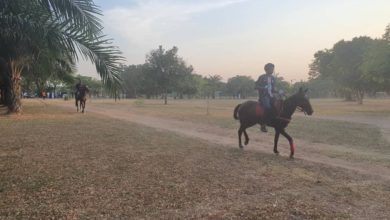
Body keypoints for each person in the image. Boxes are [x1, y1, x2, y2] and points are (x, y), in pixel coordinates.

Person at [255, 63, 276, 132]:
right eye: (271, 69)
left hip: (271, 96)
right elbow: (256, 86)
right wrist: (263, 88)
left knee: (279, 104)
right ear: (266, 69)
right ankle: (263, 124)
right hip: (264, 96)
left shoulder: (273, 78)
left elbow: (273, 89)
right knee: (267, 107)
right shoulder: (262, 77)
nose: (272, 70)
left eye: (273, 69)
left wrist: (279, 91)